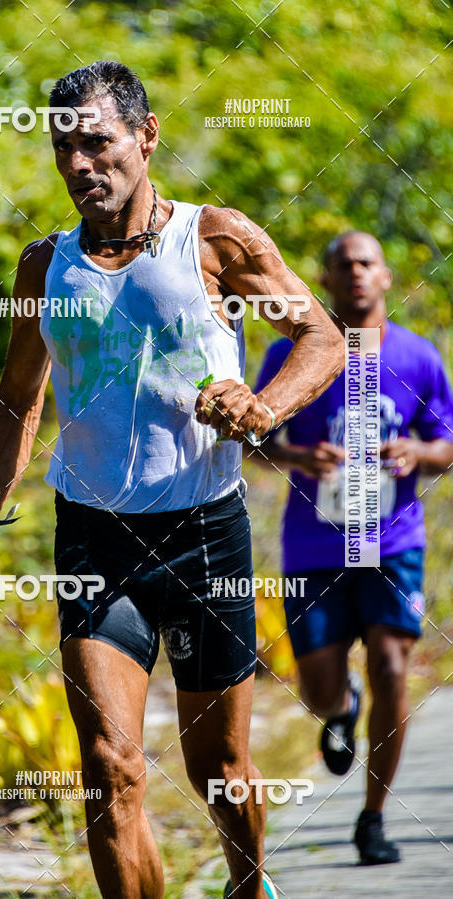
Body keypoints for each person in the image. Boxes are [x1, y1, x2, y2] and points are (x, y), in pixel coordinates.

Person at [0, 60, 344, 898]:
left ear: (146, 137)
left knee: (220, 769)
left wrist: (261, 405)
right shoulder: (43, 266)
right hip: (93, 535)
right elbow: (17, 405)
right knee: (110, 765)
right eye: (64, 148)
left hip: (204, 535)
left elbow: (322, 338)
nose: (81, 164)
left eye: (98, 142)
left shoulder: (214, 236)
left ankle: (247, 881)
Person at [252, 231, 453, 865]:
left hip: (393, 541)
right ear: (327, 279)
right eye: (343, 265)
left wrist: (415, 452)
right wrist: (295, 454)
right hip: (314, 546)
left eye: (367, 263)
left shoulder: (419, 358)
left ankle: (372, 820)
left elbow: (445, 441)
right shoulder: (298, 354)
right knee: (317, 688)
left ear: (386, 277)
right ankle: (342, 710)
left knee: (394, 666)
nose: (357, 274)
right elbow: (253, 435)